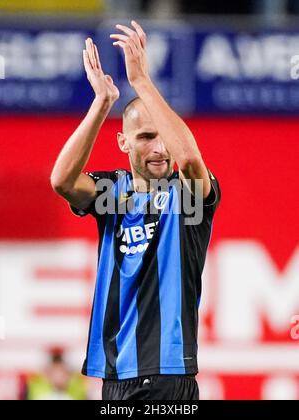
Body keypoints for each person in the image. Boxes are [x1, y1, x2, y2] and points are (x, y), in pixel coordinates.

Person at [50, 20, 221, 400]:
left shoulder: (187, 195)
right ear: (123, 141)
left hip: (167, 375)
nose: (160, 149)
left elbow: (190, 159)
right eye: (146, 137)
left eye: (163, 137)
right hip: (114, 376)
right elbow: (61, 180)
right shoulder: (112, 192)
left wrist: (142, 80)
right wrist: (102, 104)